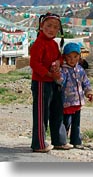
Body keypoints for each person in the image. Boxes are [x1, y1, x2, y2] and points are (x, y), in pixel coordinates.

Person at [30, 12, 72, 152]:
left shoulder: (54, 44)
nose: (51, 29)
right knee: (42, 114)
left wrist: (58, 63)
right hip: (42, 83)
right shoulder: (38, 44)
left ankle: (59, 140)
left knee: (57, 110)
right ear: (42, 26)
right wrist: (49, 73)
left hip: (54, 82)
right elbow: (34, 63)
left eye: (55, 27)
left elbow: (60, 58)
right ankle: (39, 144)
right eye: (48, 26)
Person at [55, 42, 93, 149]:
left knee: (76, 124)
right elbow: (60, 81)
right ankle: (62, 141)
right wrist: (57, 76)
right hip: (67, 102)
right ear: (64, 57)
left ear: (79, 57)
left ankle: (76, 141)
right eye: (69, 57)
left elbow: (85, 82)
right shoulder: (64, 70)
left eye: (75, 56)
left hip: (78, 102)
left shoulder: (80, 70)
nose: (72, 59)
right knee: (66, 122)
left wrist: (88, 92)